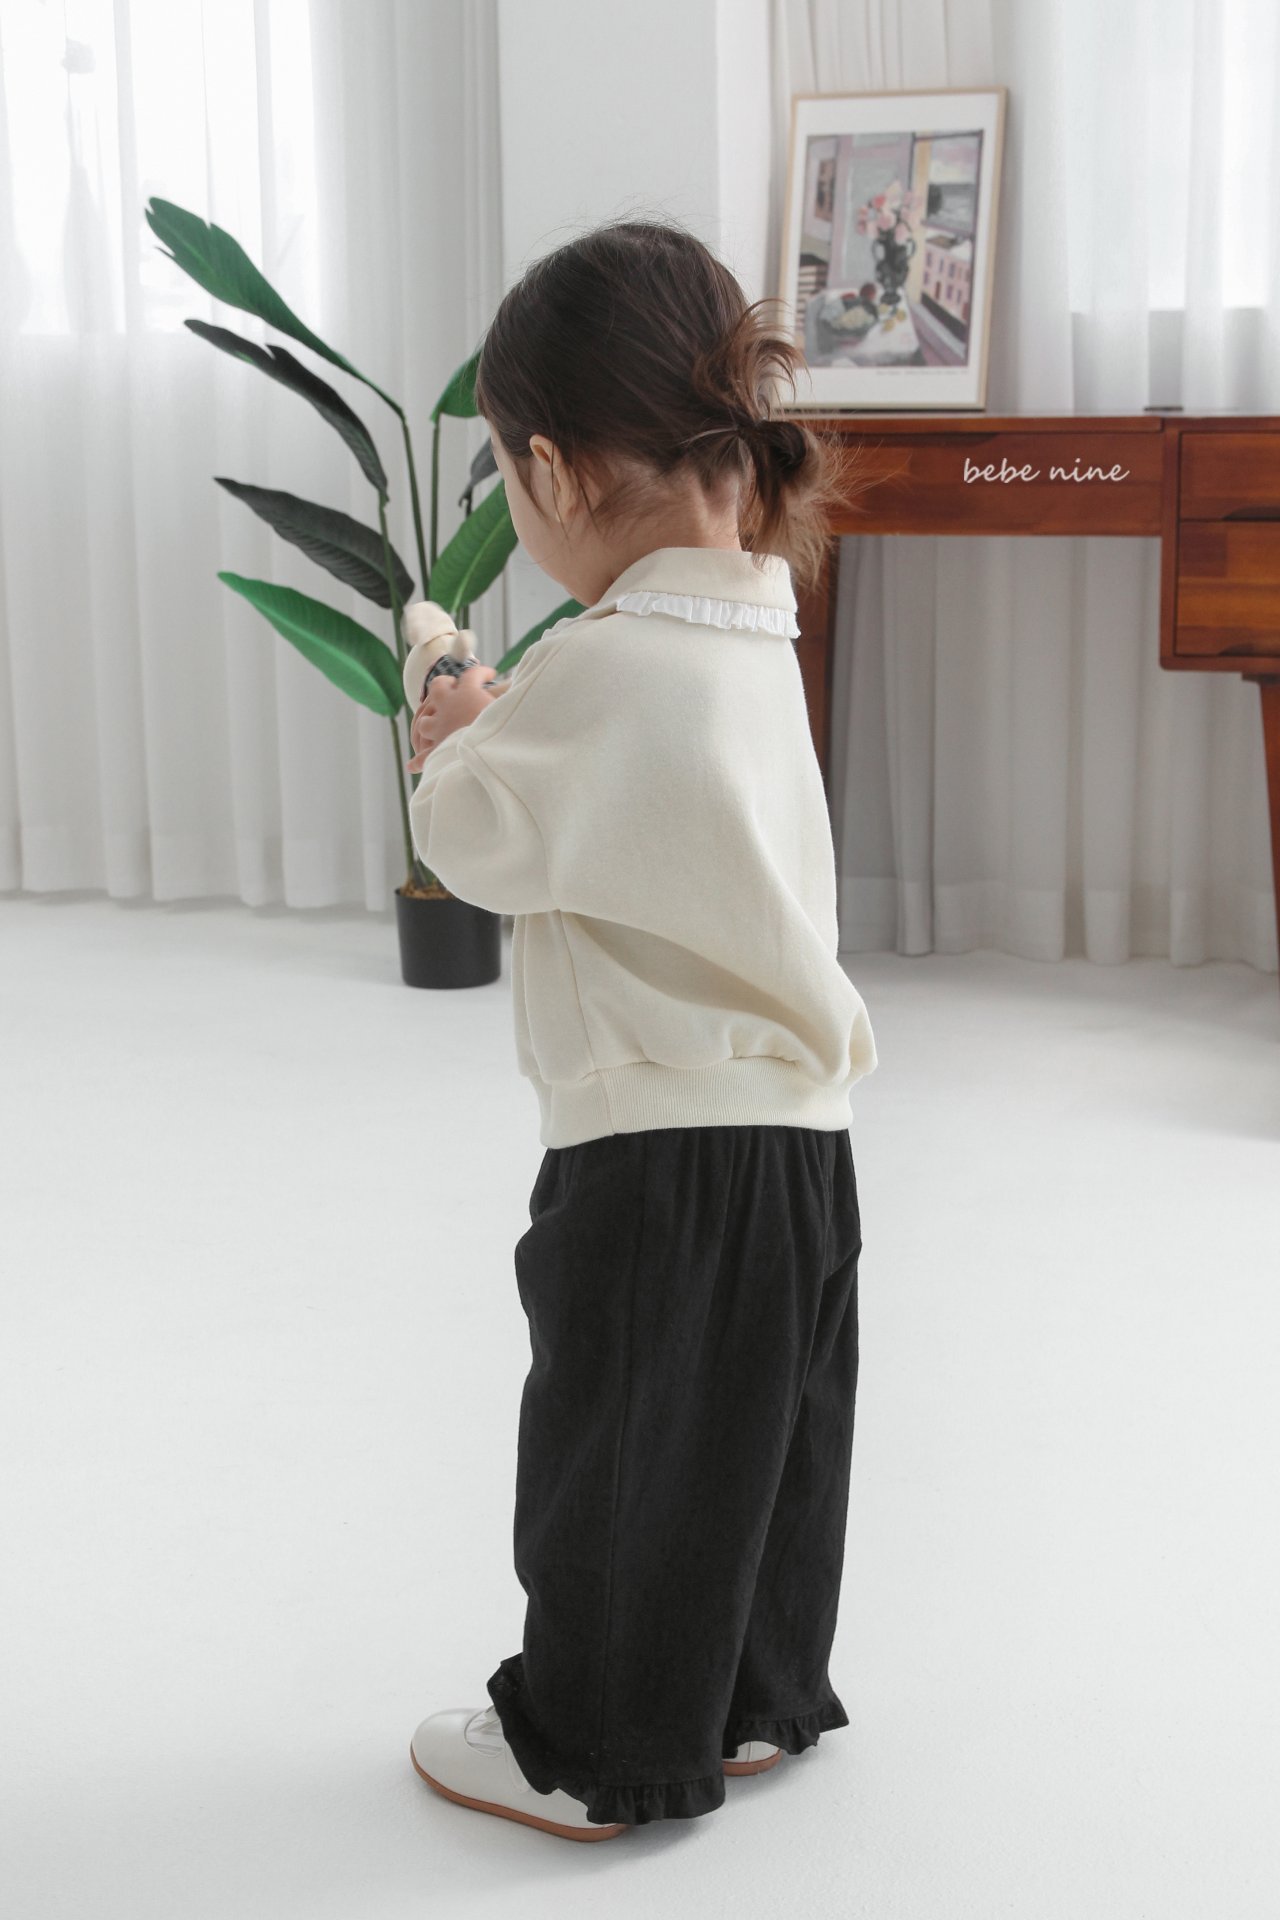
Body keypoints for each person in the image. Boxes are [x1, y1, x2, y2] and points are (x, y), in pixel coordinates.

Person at [403, 215, 877, 1843]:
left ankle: (593, 1746)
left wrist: (457, 731)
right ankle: (749, 1697)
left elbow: (477, 837)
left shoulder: (609, 663)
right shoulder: (757, 634)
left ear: (552, 469)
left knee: (618, 1453)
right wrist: (513, 721)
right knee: (763, 1446)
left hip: (654, 1153)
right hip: (801, 1146)